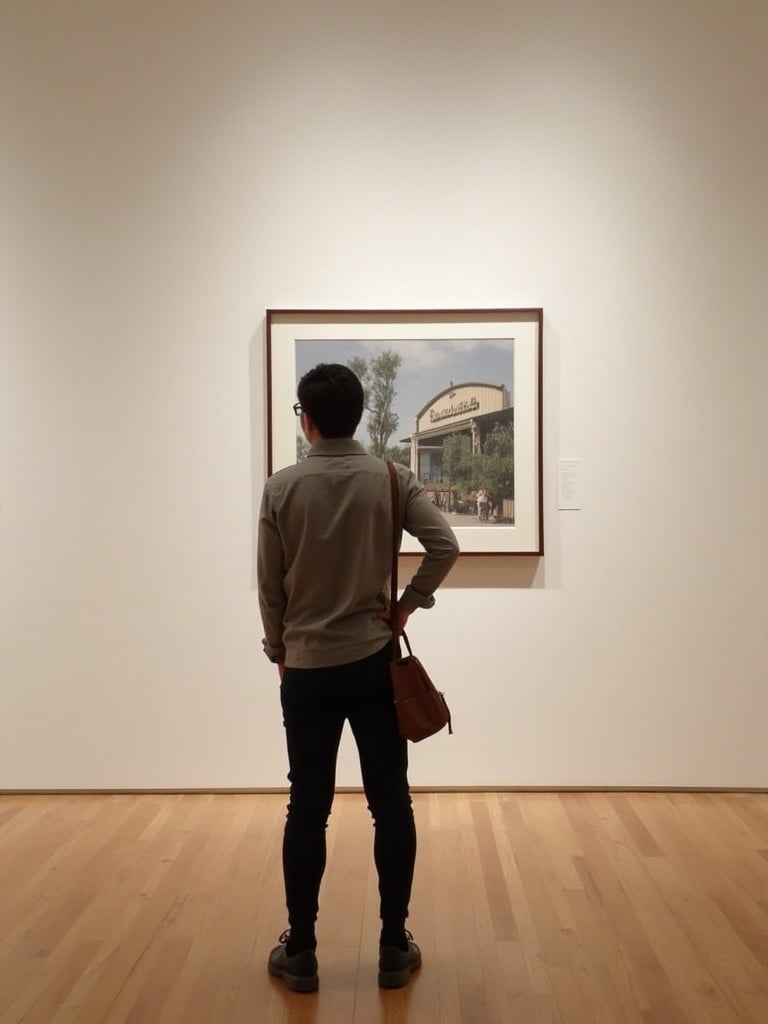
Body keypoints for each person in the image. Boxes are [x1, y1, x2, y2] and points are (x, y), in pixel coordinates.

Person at [257, 363, 459, 993]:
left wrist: (278, 648)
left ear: (307, 418)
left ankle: (304, 951)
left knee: (307, 809)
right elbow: (444, 545)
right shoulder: (393, 479)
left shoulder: (281, 488)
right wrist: (405, 607)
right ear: (361, 415)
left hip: (309, 671)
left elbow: (269, 585)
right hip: (374, 665)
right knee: (390, 803)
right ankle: (394, 946)